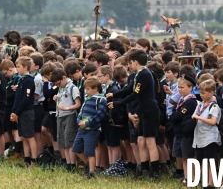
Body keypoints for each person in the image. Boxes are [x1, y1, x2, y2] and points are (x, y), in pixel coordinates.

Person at [108, 49, 161, 180]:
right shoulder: (138, 74)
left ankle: (155, 172)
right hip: (143, 110)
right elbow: (129, 89)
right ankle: (144, 170)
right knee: (140, 140)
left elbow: (135, 94)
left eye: (130, 62)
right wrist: (115, 95)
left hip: (150, 111)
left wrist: (117, 103)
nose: (129, 66)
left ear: (136, 62)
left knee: (150, 141)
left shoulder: (144, 74)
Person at [72, 77, 108, 179]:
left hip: (92, 130)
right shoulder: (87, 99)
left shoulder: (101, 100)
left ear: (95, 89)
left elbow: (100, 115)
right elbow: (80, 113)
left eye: (88, 89)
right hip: (82, 129)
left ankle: (92, 173)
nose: (86, 91)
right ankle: (88, 164)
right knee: (76, 149)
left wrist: (88, 123)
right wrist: (79, 122)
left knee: (89, 152)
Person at [191, 79, 221, 189]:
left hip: (210, 137)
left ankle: (211, 183)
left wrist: (199, 117)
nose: (201, 95)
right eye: (200, 92)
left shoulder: (214, 106)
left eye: (203, 93)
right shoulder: (200, 105)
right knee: (201, 160)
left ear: (212, 92)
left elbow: (213, 122)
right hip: (199, 136)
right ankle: (203, 182)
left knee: (210, 161)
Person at [169, 75, 197, 183]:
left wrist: (174, 116)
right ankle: (186, 177)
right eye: (178, 87)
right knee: (183, 157)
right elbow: (176, 115)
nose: (179, 90)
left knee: (189, 157)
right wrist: (174, 116)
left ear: (190, 88)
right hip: (179, 132)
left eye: (182, 87)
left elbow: (180, 115)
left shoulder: (190, 101)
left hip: (187, 134)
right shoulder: (182, 100)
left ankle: (192, 178)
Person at [52, 68, 81, 171]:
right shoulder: (61, 88)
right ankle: (68, 163)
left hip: (69, 115)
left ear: (64, 78)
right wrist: (56, 98)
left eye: (59, 83)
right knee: (63, 142)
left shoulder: (72, 88)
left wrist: (67, 108)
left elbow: (78, 104)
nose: (58, 85)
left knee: (69, 141)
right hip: (60, 115)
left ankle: (72, 164)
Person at [10, 56, 38, 167]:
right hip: (20, 112)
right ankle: (26, 159)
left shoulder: (29, 80)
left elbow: (26, 99)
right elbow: (17, 98)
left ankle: (34, 160)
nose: (17, 69)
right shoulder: (21, 80)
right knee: (23, 137)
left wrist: (17, 112)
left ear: (25, 67)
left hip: (26, 112)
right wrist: (14, 111)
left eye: (18, 67)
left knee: (30, 137)